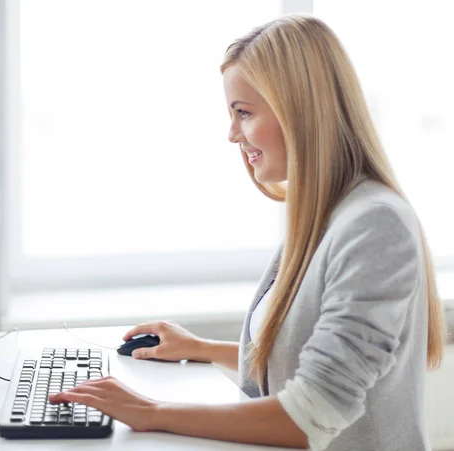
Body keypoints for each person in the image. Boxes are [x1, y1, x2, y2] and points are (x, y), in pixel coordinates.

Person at [49, 14, 446, 450]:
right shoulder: (326, 213)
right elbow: (300, 361)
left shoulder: (374, 225)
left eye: (244, 113)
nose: (232, 134)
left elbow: (311, 413)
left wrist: (149, 413)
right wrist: (201, 348)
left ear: (300, 111)